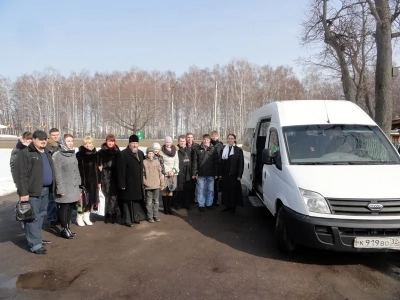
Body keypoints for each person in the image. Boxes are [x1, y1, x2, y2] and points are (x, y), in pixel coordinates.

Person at [14, 130, 55, 254]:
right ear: (34, 139)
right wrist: (23, 192)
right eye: (40, 139)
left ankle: (36, 239)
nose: (43, 141)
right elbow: (20, 174)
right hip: (32, 192)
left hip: (46, 190)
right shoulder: (26, 153)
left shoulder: (47, 152)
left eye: (45, 139)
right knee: (31, 218)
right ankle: (35, 245)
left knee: (41, 215)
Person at [52, 134, 81, 239]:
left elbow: (76, 170)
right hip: (64, 186)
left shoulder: (72, 153)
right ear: (63, 142)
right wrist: (60, 188)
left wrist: (79, 183)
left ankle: (68, 227)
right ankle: (64, 229)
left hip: (73, 186)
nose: (70, 143)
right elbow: (57, 173)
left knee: (70, 208)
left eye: (71, 141)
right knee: (64, 207)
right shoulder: (58, 155)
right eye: (68, 141)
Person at [117, 134, 146, 227]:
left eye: (136, 143)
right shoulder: (123, 154)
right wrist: (122, 183)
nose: (134, 145)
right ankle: (128, 220)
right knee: (127, 202)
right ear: (129, 143)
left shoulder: (141, 153)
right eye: (133, 143)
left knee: (136, 202)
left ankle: (136, 217)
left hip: (138, 182)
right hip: (128, 182)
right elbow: (120, 171)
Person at [76, 136, 101, 226]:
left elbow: (98, 169)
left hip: (93, 182)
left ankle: (86, 217)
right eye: (86, 143)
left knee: (90, 200)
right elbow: (78, 169)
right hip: (83, 182)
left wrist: (99, 181)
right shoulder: (79, 155)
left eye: (90, 143)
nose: (88, 145)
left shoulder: (96, 154)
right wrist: (80, 183)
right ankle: (79, 217)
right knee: (82, 201)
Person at [192, 134, 219, 212]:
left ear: (210, 140)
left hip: (211, 173)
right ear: (202, 140)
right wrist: (194, 173)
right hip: (201, 173)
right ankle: (201, 204)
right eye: (204, 139)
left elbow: (216, 162)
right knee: (201, 190)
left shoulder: (213, 149)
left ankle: (209, 204)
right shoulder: (197, 149)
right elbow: (195, 162)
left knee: (210, 190)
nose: (206, 141)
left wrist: (216, 173)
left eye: (207, 139)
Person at [97, 134, 120, 224]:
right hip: (104, 176)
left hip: (115, 176)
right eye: (109, 141)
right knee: (106, 195)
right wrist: (99, 179)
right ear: (106, 141)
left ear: (115, 142)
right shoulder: (100, 152)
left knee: (114, 196)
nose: (110, 143)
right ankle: (106, 214)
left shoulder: (117, 152)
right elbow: (98, 167)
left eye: (112, 141)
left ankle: (114, 214)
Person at [220, 134, 244, 213]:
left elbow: (241, 163)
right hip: (225, 174)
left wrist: (239, 175)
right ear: (227, 140)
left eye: (232, 138)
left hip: (234, 174)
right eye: (229, 138)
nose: (230, 140)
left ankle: (233, 207)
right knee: (225, 191)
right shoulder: (224, 149)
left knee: (233, 191)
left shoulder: (238, 150)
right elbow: (221, 162)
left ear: (234, 140)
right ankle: (227, 206)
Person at [143, 147, 163, 223]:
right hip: (148, 186)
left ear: (154, 154)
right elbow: (142, 174)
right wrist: (145, 182)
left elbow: (160, 173)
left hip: (156, 185)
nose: (150, 155)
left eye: (152, 153)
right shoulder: (144, 162)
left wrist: (162, 183)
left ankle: (156, 216)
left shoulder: (157, 162)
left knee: (156, 201)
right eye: (149, 153)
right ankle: (150, 216)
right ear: (147, 154)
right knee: (149, 202)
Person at [46, 128, 61, 228]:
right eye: (53, 135)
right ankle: (51, 218)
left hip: (59, 176)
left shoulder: (60, 146)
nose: (55, 137)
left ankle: (59, 216)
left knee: (60, 197)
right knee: (51, 199)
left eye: (57, 135)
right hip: (51, 176)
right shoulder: (47, 147)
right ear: (49, 136)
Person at [160, 136, 179, 214]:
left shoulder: (175, 151)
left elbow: (176, 161)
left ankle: (169, 207)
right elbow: (162, 163)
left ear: (172, 142)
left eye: (169, 142)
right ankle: (165, 209)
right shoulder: (162, 151)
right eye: (167, 142)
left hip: (173, 173)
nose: (168, 143)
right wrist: (168, 171)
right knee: (164, 190)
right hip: (165, 173)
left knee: (171, 190)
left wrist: (173, 171)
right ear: (165, 142)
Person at [175, 135, 192, 210]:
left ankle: (187, 203)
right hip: (179, 171)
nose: (182, 142)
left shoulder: (189, 150)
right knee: (179, 189)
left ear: (186, 142)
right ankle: (178, 204)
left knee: (187, 188)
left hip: (187, 171)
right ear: (178, 141)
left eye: (183, 141)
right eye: (181, 141)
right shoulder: (176, 150)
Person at [210, 130, 224, 206]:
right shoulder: (209, 144)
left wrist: (220, 171)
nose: (214, 137)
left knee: (216, 185)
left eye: (216, 136)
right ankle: (209, 199)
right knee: (209, 185)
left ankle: (215, 200)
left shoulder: (220, 145)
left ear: (218, 136)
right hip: (210, 166)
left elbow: (222, 157)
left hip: (217, 167)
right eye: (213, 136)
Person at [186, 132, 199, 204]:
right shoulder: (184, 145)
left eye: (191, 137)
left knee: (194, 185)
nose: (189, 139)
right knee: (187, 184)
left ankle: (193, 198)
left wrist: (197, 171)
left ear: (193, 138)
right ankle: (187, 200)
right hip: (186, 168)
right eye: (188, 137)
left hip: (194, 168)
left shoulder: (197, 146)